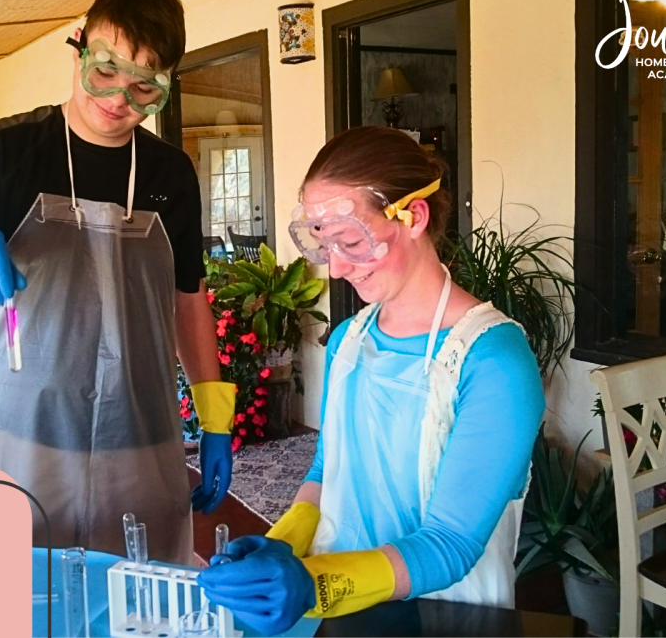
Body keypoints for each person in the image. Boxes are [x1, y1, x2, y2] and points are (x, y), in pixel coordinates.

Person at [0, 0, 238, 564]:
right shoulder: (4, 151)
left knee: (137, 589)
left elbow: (187, 300)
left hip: (139, 435)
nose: (118, 98)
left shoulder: (171, 174)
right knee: (22, 589)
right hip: (18, 436)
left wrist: (217, 418)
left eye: (144, 86)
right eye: (106, 70)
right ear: (79, 47)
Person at [197, 127, 545, 633]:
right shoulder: (349, 341)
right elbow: (326, 470)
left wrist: (312, 584)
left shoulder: (494, 361)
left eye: (352, 242)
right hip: (342, 615)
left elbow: (450, 543)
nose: (337, 268)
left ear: (414, 217)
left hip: (445, 617)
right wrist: (282, 544)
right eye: (325, 245)